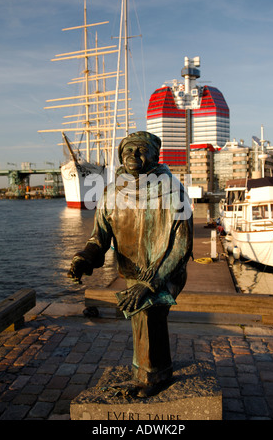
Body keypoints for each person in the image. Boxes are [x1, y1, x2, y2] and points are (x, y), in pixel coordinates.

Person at [68, 131, 193, 397]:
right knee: (140, 314)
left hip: (166, 271)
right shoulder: (112, 194)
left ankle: (151, 378)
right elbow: (98, 240)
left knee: (148, 309)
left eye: (140, 149)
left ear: (154, 155)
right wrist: (84, 259)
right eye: (128, 150)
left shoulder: (174, 190)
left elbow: (182, 246)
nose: (133, 155)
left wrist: (151, 282)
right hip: (134, 273)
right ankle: (154, 369)